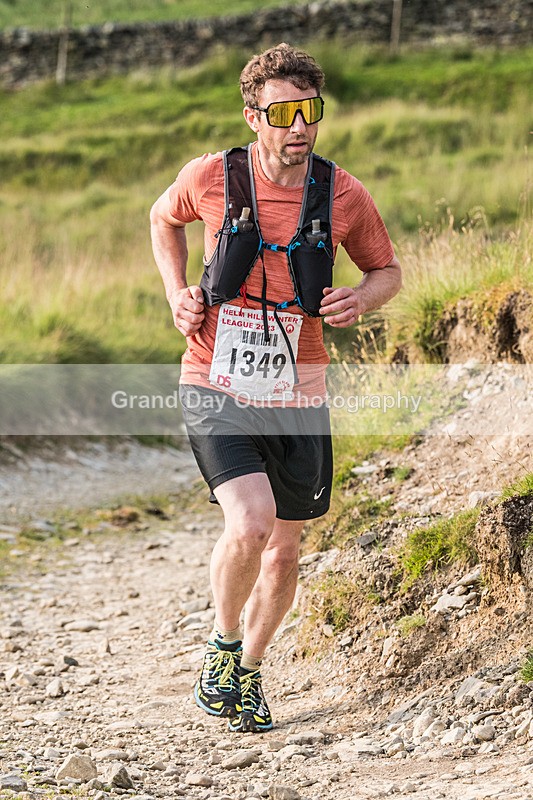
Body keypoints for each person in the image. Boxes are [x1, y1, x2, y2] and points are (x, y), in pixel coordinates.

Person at [150, 42, 401, 733]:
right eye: (282, 113)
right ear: (252, 116)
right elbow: (161, 219)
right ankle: (222, 646)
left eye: (308, 111)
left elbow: (386, 271)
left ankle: (250, 672)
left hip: (298, 391)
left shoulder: (342, 193)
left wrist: (362, 299)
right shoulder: (210, 177)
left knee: (286, 552)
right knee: (251, 524)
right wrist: (176, 292)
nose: (298, 127)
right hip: (213, 378)